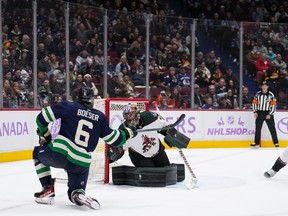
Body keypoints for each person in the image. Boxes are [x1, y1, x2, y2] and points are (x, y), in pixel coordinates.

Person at [33, 86, 137, 209]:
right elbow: (114, 140)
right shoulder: (100, 117)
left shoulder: (69, 106)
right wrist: (129, 132)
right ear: (92, 100)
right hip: (81, 164)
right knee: (75, 192)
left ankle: (47, 189)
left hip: (60, 155)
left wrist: (44, 133)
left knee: (37, 153)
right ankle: (78, 194)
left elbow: (42, 117)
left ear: (77, 97)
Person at [250, 81, 279, 149]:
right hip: (259, 113)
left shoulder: (271, 95)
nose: (264, 87)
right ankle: (256, 143)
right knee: (258, 128)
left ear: (267, 87)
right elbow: (254, 103)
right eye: (263, 85)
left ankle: (276, 143)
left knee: (272, 128)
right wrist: (255, 112)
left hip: (268, 113)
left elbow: (274, 105)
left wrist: (270, 114)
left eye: (265, 86)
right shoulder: (257, 94)